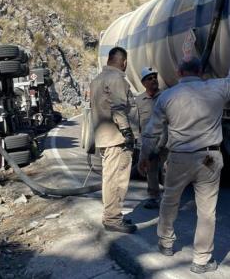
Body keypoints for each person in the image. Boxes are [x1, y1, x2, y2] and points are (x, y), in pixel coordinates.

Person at [138, 56, 230, 274]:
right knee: (207, 211)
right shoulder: (219, 88)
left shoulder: (167, 97)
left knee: (170, 200)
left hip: (179, 157)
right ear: (201, 72)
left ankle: (166, 242)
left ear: (179, 73)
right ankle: (201, 259)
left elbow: (152, 132)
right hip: (209, 158)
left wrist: (144, 156)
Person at [90, 46, 137, 234]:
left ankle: (112, 214)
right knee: (116, 180)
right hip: (117, 139)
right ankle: (112, 219)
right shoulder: (116, 79)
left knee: (110, 178)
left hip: (105, 137)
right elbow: (118, 108)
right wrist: (127, 132)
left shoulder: (97, 80)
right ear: (123, 62)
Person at [135, 67, 167, 209]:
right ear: (143, 83)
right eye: (149, 78)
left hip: (166, 141)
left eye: (155, 77)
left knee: (168, 170)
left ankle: (168, 198)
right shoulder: (139, 101)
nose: (153, 79)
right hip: (149, 143)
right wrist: (138, 141)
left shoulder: (166, 97)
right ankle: (153, 197)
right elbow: (136, 122)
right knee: (151, 171)